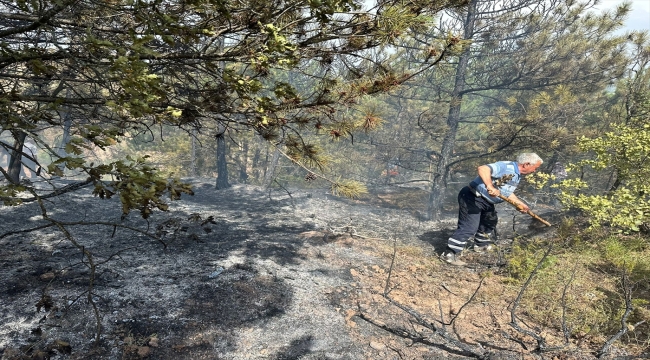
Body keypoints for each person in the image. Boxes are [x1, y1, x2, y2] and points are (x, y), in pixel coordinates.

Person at [440, 153, 543, 266]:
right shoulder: (506, 166)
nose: (534, 171)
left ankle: (481, 246)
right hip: (472, 196)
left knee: (490, 221)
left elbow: (506, 192)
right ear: (527, 164)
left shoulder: (516, 175)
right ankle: (449, 254)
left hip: (486, 201)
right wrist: (490, 186)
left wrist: (519, 203)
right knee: (469, 227)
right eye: (535, 168)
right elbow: (483, 168)